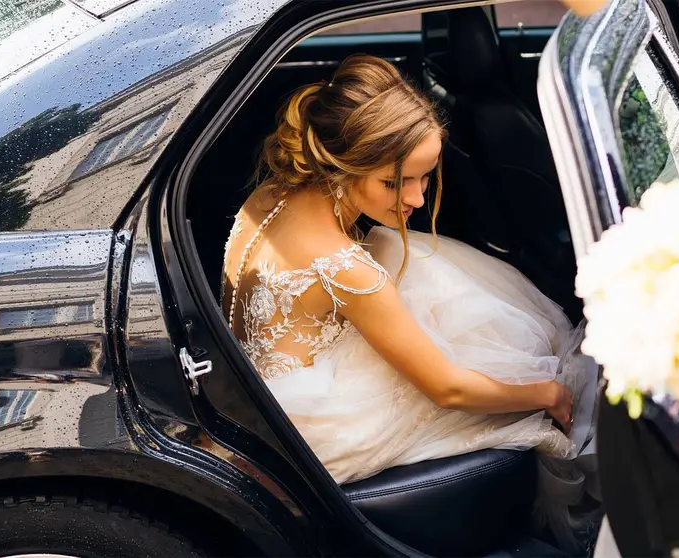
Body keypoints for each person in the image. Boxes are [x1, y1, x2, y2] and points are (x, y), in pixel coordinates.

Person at [221, 55, 599, 549]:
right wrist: (547, 394)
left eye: (424, 177)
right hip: (313, 427)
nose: (417, 199)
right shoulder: (344, 268)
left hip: (249, 387)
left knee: (409, 257)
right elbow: (450, 391)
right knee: (491, 351)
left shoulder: (271, 195)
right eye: (395, 182)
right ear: (346, 161)